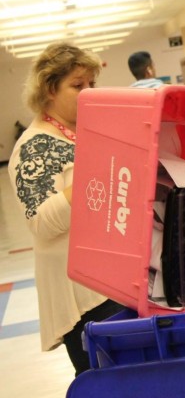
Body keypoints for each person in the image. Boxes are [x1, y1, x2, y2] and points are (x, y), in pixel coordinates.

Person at [8, 42, 125, 377]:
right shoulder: (35, 146)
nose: (88, 92)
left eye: (91, 84)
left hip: (112, 282)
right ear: (49, 89)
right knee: (103, 382)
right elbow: (42, 221)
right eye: (77, 85)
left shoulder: (81, 134)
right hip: (85, 297)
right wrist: (95, 175)